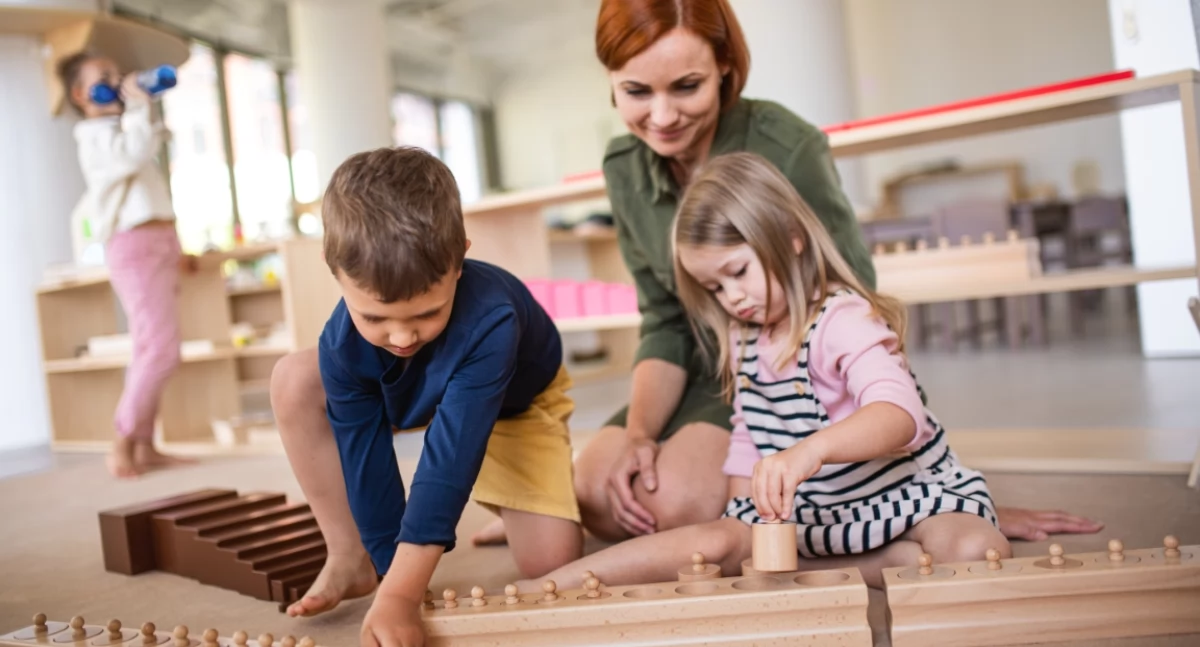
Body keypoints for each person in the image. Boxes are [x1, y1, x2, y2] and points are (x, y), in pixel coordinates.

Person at [474, 0, 1103, 547]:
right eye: (637, 92)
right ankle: (569, 511)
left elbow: (854, 307)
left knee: (673, 508)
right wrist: (639, 433)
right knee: (596, 491)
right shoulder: (621, 166)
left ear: (725, 65)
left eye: (685, 87)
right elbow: (665, 320)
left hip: (770, 372)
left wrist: (938, 491)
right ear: (611, 82)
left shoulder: (787, 144)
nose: (661, 117)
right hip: (689, 369)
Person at [517, 151, 1009, 592]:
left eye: (737, 272)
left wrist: (810, 451)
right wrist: (742, 512)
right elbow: (747, 432)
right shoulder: (743, 334)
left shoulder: (843, 318)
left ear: (790, 238)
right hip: (819, 516)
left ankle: (875, 559)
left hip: (904, 500)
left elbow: (901, 414)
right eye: (714, 287)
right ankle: (554, 585)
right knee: (717, 543)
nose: (731, 298)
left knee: (973, 550)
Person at [272, 147, 583, 646]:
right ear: (335, 272)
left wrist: (401, 595)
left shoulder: (491, 319)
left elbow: (448, 459)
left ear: (459, 259)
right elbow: (366, 464)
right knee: (293, 378)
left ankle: (545, 491)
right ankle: (348, 558)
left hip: (515, 405)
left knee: (551, 567)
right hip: (414, 388)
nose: (400, 336)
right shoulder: (343, 343)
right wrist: (389, 577)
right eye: (375, 317)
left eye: (426, 314)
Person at [59, 52, 195, 479]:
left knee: (148, 348)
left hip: (157, 240)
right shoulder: (94, 137)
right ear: (82, 94)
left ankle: (144, 445)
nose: (117, 82)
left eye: (118, 76)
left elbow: (150, 161)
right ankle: (122, 441)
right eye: (106, 77)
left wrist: (177, 246)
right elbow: (133, 155)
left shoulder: (121, 129)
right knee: (159, 350)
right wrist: (137, 105)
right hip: (134, 244)